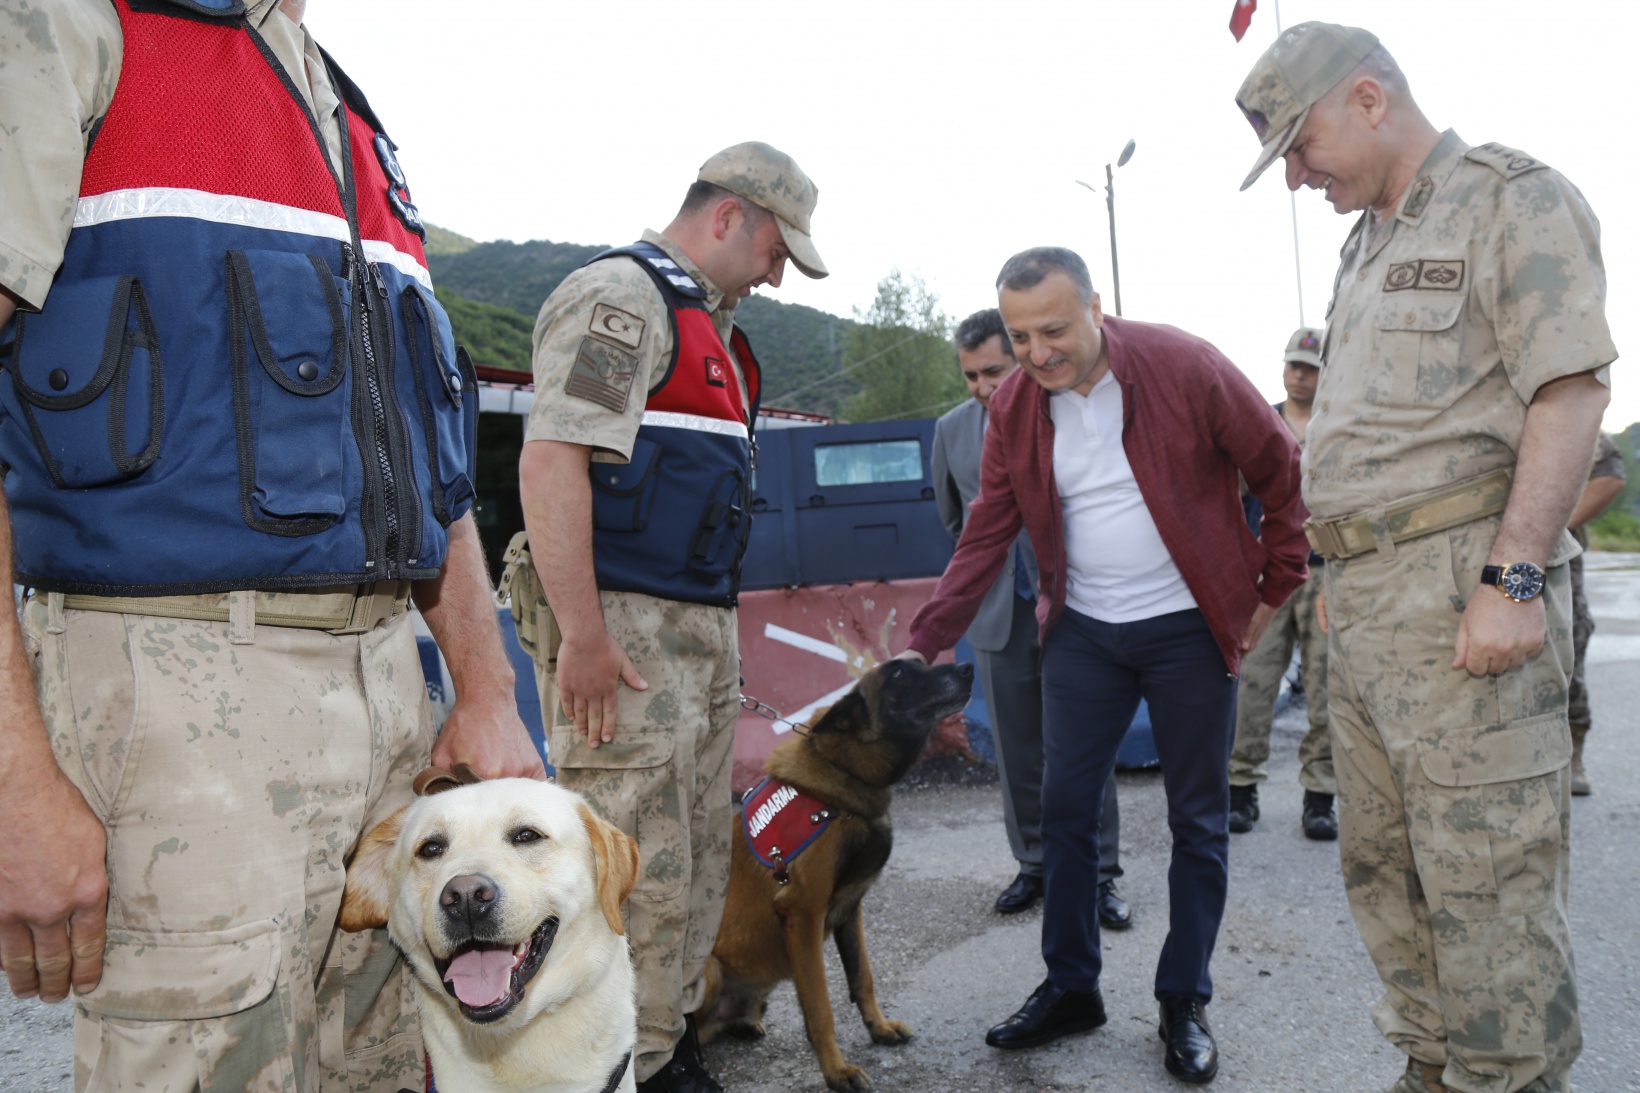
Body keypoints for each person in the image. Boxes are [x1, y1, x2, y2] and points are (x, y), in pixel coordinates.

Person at [0, 2, 543, 1090]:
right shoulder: (78, 25)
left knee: (383, 1059)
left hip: (388, 680)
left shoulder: (343, 110)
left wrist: (484, 683)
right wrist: (14, 775)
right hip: (175, 688)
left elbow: (422, 453)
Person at [1237, 21, 1616, 1093]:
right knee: (1386, 868)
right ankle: (1432, 1065)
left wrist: (1513, 576)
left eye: (1297, 147)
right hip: (1357, 601)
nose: (1294, 177)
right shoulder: (1363, 243)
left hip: (1458, 585)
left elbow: (1570, 387)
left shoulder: (1509, 197)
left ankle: (1505, 1077)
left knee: (1485, 879)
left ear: (1366, 100)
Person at [905, 247, 1308, 1085]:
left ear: (1097, 306)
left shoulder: (1184, 365)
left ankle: (1182, 1000)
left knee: (1197, 820)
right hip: (1084, 628)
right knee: (1063, 809)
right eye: (1019, 337)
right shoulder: (1016, 405)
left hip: (1187, 627)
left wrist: (1274, 583)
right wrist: (924, 639)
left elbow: (1279, 470)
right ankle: (1071, 984)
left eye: (1053, 329)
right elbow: (984, 529)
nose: (1037, 353)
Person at [514, 142, 826, 1093]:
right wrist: (584, 634)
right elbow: (554, 456)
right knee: (628, 858)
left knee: (687, 858)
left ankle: (665, 1040)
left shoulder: (714, 332)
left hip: (692, 633)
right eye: (777, 250)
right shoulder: (625, 298)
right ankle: (624, 1063)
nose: (778, 274)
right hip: (625, 631)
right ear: (729, 215)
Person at [932, 308, 1131, 926]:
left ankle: (1099, 876)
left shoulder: (1065, 410)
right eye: (970, 376)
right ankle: (1036, 865)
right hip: (999, 615)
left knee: (1083, 747)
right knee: (1017, 750)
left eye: (993, 370)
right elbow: (955, 521)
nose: (983, 387)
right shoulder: (950, 431)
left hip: (1076, 607)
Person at [1227, 327, 1338, 840]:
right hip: (1266, 574)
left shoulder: (1342, 425)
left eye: (1311, 368)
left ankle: (1319, 797)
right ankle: (1241, 788)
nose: (1300, 375)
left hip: (1325, 572)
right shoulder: (1259, 422)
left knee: (1326, 688)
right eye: (1294, 365)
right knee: (1253, 683)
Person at [1566, 434, 1626, 794]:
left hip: (1549, 557)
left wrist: (1551, 529)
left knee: (1566, 647)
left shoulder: (1551, 404)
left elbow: (1609, 475)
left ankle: (1573, 752)